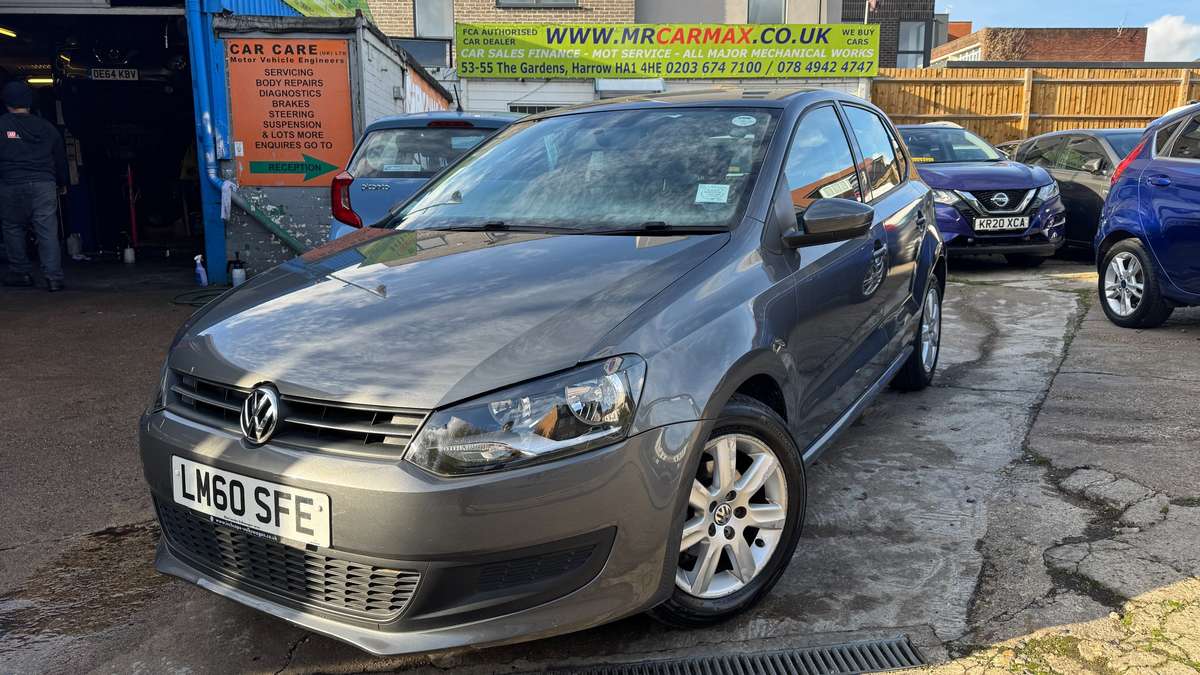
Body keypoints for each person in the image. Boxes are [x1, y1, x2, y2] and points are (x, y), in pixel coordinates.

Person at [0, 80, 68, 292]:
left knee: (13, 227)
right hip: (43, 185)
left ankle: (21, 273)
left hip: (11, 183)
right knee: (47, 229)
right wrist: (62, 182)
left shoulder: (2, 124)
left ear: (6, 102)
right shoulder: (46, 127)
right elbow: (60, 158)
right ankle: (54, 278)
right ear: (30, 102)